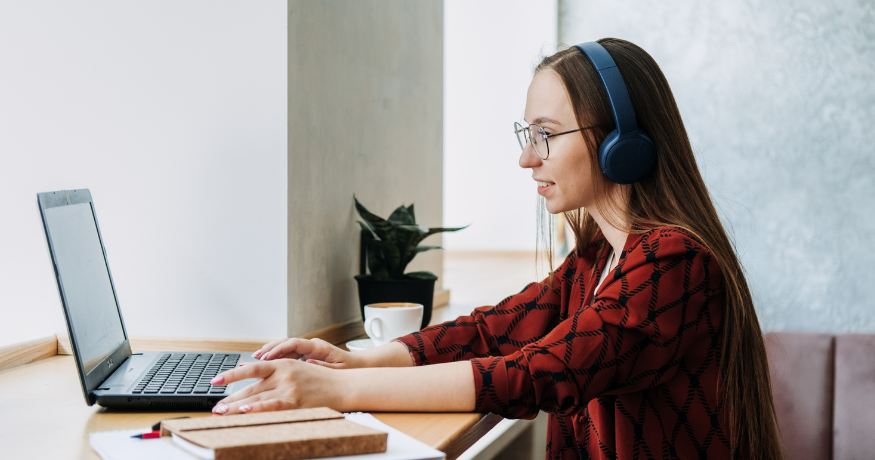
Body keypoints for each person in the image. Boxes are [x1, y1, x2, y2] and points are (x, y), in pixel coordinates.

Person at [209, 38, 783, 460]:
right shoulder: (597, 260)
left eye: (546, 135)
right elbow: (495, 331)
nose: (527, 158)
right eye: (526, 134)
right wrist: (359, 361)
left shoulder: (674, 264)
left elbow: (536, 373)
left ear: (621, 144)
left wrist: (338, 389)